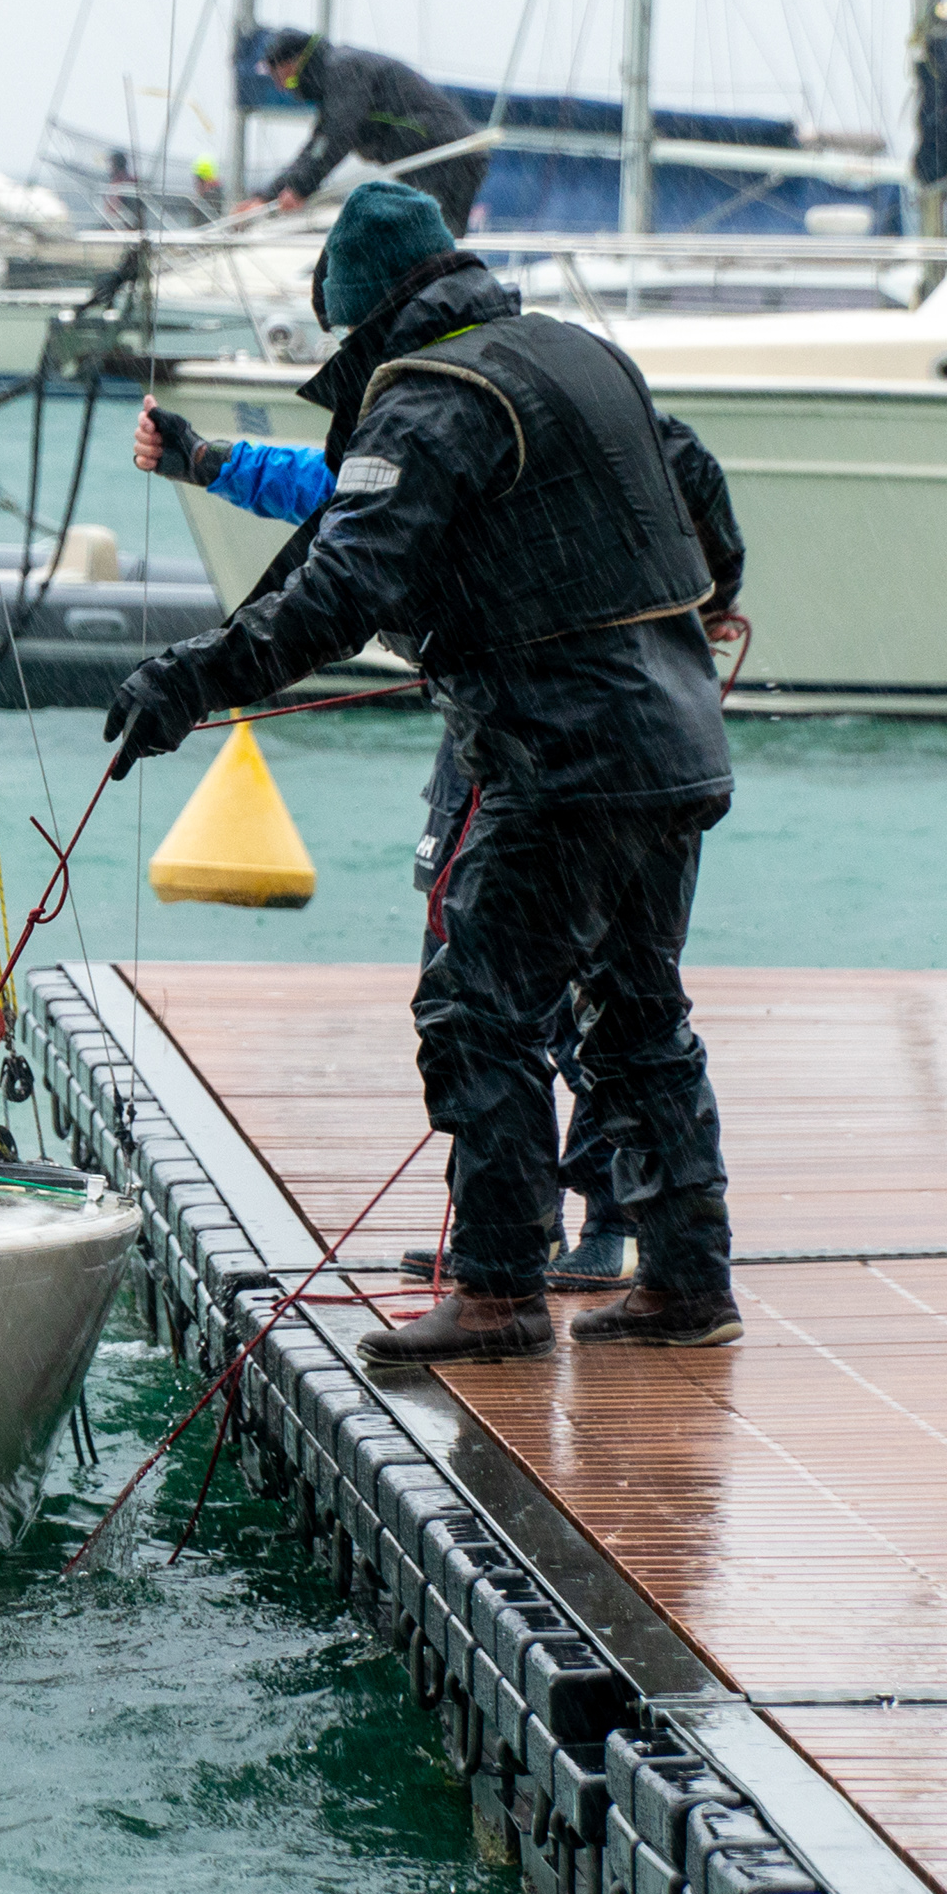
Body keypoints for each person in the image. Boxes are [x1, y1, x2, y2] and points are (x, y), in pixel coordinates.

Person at [103, 178, 747, 1358]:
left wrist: (187, 679)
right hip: (678, 742)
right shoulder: (574, 353)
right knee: (640, 1010)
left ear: (361, 318)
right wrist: (711, 609)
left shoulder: (429, 400)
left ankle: (500, 1289)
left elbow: (337, 595)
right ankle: (689, 1282)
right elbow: (702, 490)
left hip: (560, 759)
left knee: (479, 1003)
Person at [132, 400, 703, 1292]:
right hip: (487, 734)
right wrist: (207, 462)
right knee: (468, 975)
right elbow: (336, 491)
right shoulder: (451, 431)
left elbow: (706, 520)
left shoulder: (605, 442)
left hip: (566, 743)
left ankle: (608, 1218)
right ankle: (517, 1227)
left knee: (591, 987)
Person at [243, 29, 488, 234]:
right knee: (429, 243)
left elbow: (338, 136)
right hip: (430, 165)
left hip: (448, 158)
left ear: (291, 63)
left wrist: (300, 188)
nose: (280, 87)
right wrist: (267, 196)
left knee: (433, 243)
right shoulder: (335, 76)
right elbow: (318, 145)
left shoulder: (344, 70)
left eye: (279, 77)